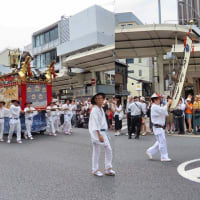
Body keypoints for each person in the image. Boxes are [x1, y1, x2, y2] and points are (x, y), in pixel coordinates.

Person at [89, 93, 115, 177]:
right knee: (99, 151)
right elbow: (95, 123)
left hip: (103, 132)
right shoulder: (94, 110)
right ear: (95, 100)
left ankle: (107, 169)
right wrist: (99, 135)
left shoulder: (101, 109)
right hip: (97, 133)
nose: (100, 100)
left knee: (107, 149)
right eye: (98, 99)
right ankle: (97, 169)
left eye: (101, 98)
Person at [146, 93, 172, 162]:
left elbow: (166, 114)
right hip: (158, 127)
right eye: (159, 99)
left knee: (160, 142)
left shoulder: (157, 106)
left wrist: (167, 105)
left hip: (159, 127)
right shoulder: (154, 106)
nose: (160, 100)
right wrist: (168, 103)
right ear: (155, 100)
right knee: (162, 142)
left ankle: (150, 151)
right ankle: (164, 156)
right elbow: (163, 111)